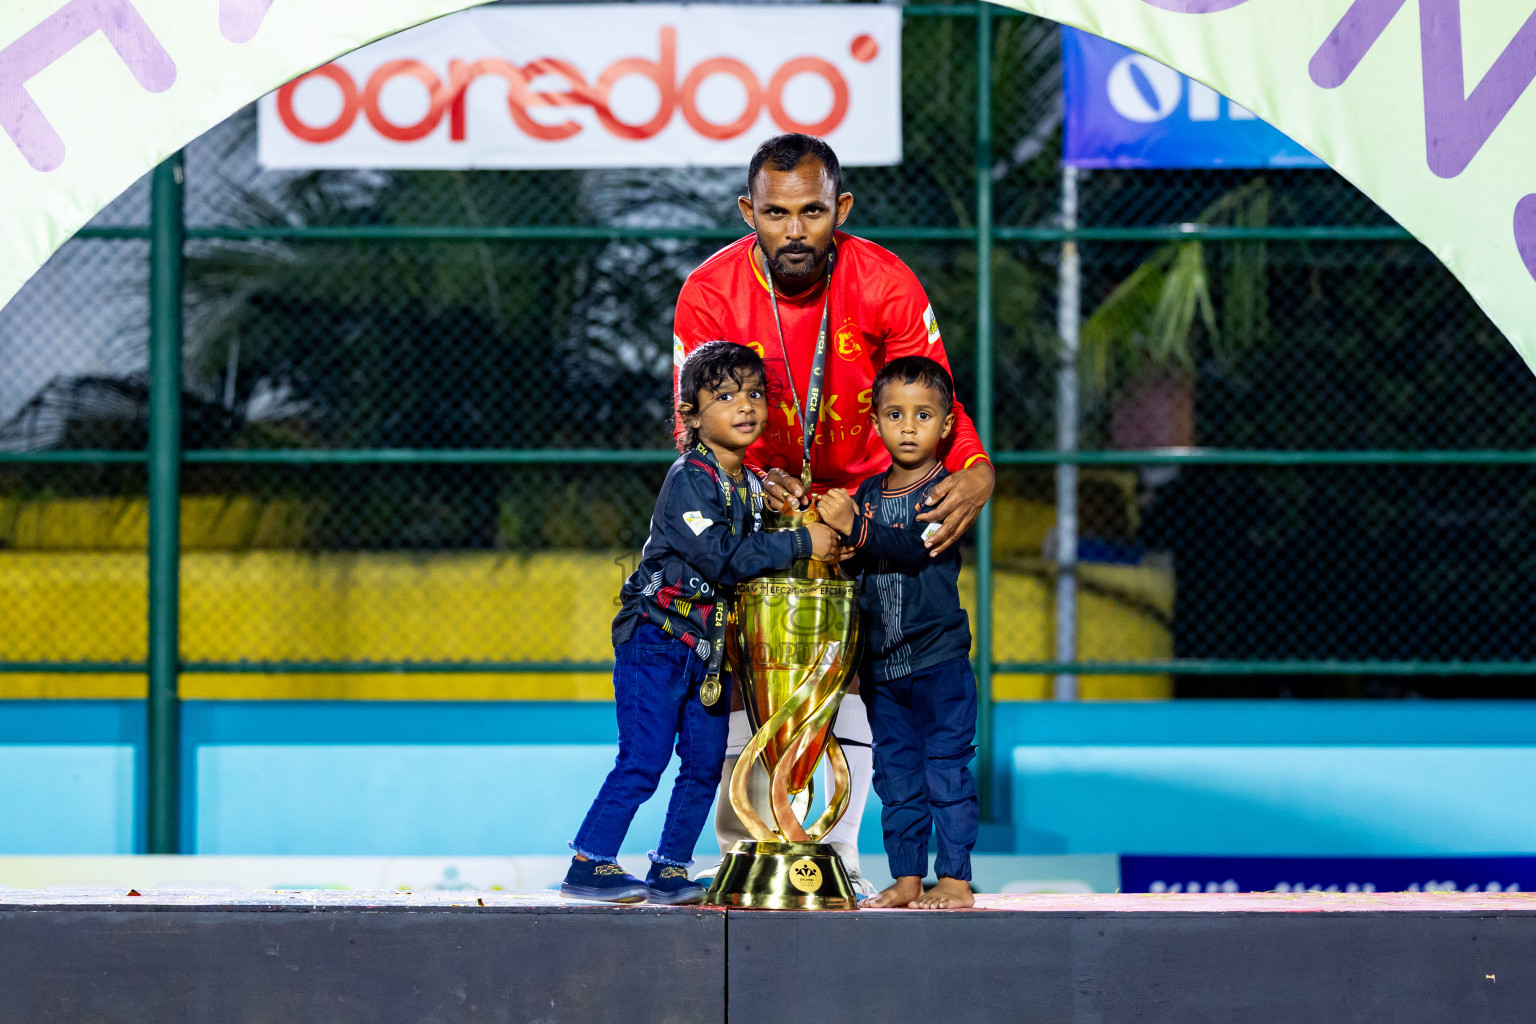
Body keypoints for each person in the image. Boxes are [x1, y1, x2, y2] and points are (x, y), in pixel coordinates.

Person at [674, 133, 993, 888]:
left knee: (870, 667)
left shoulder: (884, 282)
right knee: (747, 668)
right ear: (748, 210)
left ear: (839, 209)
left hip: (867, 507)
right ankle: (744, 858)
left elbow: (939, 398)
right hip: (760, 498)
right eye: (776, 213)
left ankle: (835, 860)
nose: (793, 231)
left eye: (812, 211)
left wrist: (976, 470)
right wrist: (753, 484)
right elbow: (689, 421)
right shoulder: (710, 291)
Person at [561, 342, 838, 905]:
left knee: (706, 765)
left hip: (713, 653)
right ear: (689, 416)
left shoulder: (752, 485)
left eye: (755, 394)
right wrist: (802, 539)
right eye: (726, 396)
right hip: (656, 642)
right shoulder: (689, 477)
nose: (745, 406)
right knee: (643, 760)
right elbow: (722, 557)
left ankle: (670, 868)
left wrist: (795, 507)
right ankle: (589, 863)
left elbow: (755, 545)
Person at [816, 356, 979, 910]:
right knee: (897, 779)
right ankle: (907, 879)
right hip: (883, 670)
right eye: (895, 413)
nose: (909, 426)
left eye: (924, 414)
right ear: (876, 423)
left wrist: (853, 530)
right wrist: (839, 552)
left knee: (946, 773)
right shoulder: (863, 495)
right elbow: (861, 560)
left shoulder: (947, 492)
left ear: (947, 425)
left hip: (939, 663)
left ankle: (955, 881)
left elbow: (913, 548)